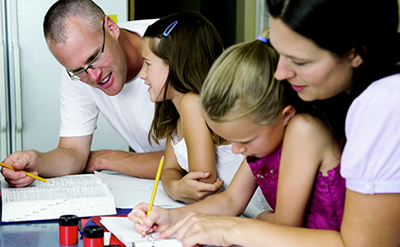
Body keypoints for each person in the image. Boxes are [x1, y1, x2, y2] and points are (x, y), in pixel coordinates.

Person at [128, 0, 400, 246]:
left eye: (299, 60)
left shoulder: (381, 104)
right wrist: (171, 217)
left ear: (356, 53)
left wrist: (233, 229)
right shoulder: (316, 104)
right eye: (279, 53)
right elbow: (232, 200)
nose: (280, 72)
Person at [128, 27, 346, 237]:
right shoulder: (268, 135)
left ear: (285, 115)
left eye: (244, 140)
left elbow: (285, 227)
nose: (235, 150)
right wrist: (169, 217)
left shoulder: (304, 131)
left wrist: (256, 219)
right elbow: (231, 200)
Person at [1, 0, 166, 188]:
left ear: (111, 28)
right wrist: (37, 160)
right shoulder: (77, 73)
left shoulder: (174, 45)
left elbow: (193, 160)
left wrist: (103, 158)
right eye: (78, 70)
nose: (94, 76)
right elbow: (73, 151)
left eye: (94, 57)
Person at [139, 12, 268, 217]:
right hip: (230, 212)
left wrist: (177, 187)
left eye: (147, 63)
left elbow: (203, 186)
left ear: (176, 64)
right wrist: (174, 187)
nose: (141, 74)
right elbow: (170, 169)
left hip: (251, 212)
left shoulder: (192, 103)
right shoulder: (176, 107)